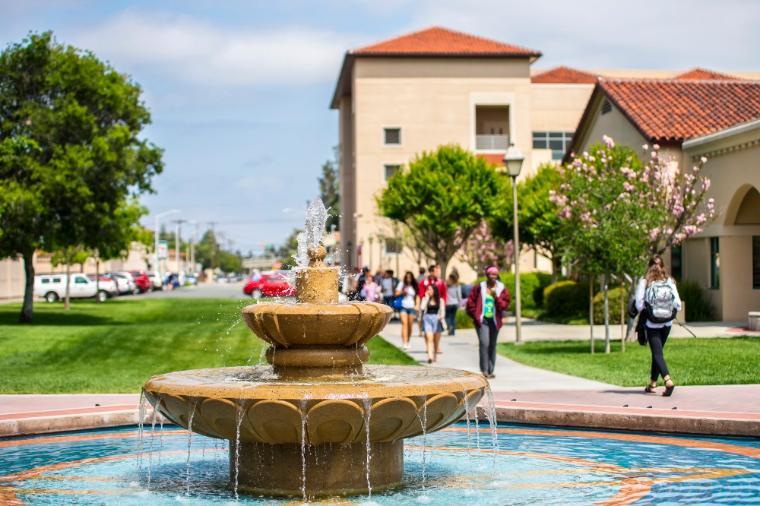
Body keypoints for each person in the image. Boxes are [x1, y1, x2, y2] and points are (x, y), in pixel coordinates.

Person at [635, 255, 681, 397]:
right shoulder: (670, 281)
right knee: (658, 353)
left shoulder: (645, 282)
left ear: (649, 266)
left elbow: (638, 305)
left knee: (657, 353)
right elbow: (678, 305)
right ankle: (653, 384)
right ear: (663, 266)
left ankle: (668, 381)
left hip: (652, 323)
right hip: (667, 322)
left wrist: (650, 309)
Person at [466, 265, 510, 378]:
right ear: (486, 275)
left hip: (495, 321)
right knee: (484, 343)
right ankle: (484, 370)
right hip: (482, 320)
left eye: (494, 274)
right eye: (490, 274)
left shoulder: (501, 288)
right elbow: (470, 302)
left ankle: (491, 370)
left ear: (497, 275)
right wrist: (475, 315)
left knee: (492, 345)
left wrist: (496, 297)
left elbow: (504, 305)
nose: (492, 276)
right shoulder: (479, 287)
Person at [418, 264, 447, 342]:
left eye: (438, 271)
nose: (437, 273)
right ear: (431, 272)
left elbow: (444, 294)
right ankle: (428, 343)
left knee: (438, 327)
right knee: (426, 328)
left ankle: (436, 345)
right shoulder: (424, 282)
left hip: (437, 306)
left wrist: (442, 303)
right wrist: (427, 299)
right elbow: (421, 294)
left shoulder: (441, 282)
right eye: (435, 271)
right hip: (427, 306)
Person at [420, 284, 445, 363]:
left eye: (430, 289)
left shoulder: (440, 300)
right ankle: (430, 356)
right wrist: (426, 298)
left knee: (436, 341)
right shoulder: (425, 299)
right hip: (427, 319)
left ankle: (435, 356)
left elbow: (443, 312)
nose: (428, 291)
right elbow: (422, 308)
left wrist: (441, 317)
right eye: (428, 289)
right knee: (429, 338)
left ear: (434, 290)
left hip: (437, 320)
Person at [395, 271, 419, 350]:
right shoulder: (402, 284)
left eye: (410, 277)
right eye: (407, 277)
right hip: (403, 306)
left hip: (411, 307)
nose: (408, 279)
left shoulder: (414, 285)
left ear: (412, 278)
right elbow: (396, 293)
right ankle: (404, 342)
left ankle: (408, 341)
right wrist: (402, 292)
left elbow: (417, 296)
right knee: (404, 324)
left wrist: (417, 305)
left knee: (410, 326)